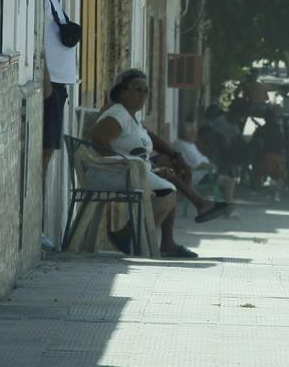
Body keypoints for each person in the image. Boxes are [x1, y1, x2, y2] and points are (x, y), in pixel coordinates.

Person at [88, 70, 231, 258]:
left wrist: (175, 156)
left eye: (146, 91)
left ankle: (165, 240)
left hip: (133, 170)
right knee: (168, 191)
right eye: (137, 90)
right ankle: (128, 234)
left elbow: (150, 138)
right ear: (122, 91)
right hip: (112, 173)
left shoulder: (131, 115)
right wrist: (124, 165)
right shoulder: (116, 115)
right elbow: (98, 141)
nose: (142, 96)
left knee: (168, 172)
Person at [42, 0, 78, 175]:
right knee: (45, 148)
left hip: (58, 84)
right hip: (50, 84)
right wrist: (45, 81)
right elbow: (37, 41)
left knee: (50, 147)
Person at [174, 122, 237, 206]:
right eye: (192, 132)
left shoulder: (187, 143)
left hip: (203, 173)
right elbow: (196, 165)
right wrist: (212, 166)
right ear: (186, 134)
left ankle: (224, 205)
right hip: (199, 176)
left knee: (226, 178)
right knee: (229, 182)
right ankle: (228, 209)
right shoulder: (183, 146)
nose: (195, 135)